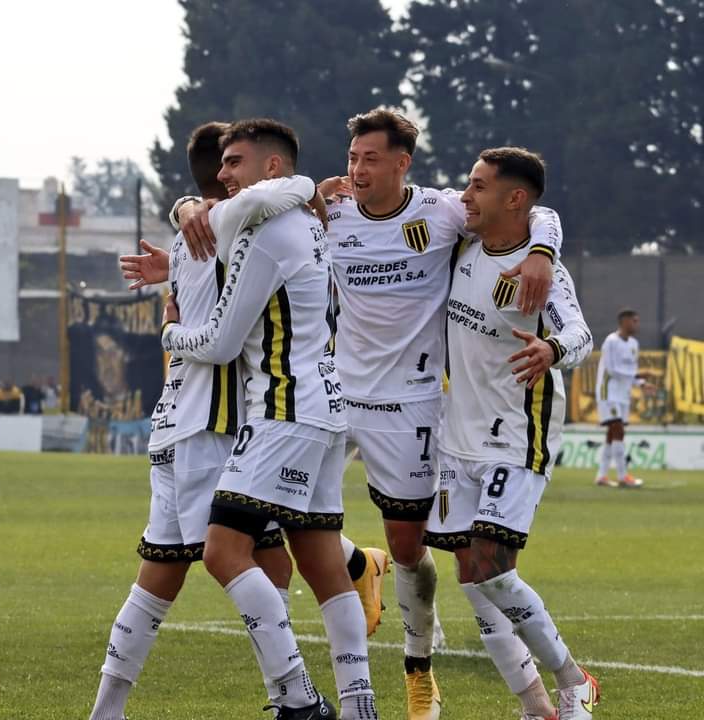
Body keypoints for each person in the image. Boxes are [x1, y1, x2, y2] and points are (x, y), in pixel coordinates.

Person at [173, 108, 564, 720]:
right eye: (352, 157)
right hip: (331, 394)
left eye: (370, 159)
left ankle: (419, 667)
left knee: (410, 548)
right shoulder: (328, 211)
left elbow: (531, 210)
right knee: (269, 515)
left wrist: (541, 250)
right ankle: (356, 574)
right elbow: (238, 213)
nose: (356, 169)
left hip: (409, 406)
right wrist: (187, 209)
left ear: (402, 164)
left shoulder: (441, 213)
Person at [88, 121, 318, 720]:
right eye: (230, 161)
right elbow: (278, 198)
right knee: (260, 559)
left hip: (172, 423)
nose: (231, 172)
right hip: (213, 427)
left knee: (157, 580)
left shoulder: (192, 232)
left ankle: (106, 710)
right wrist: (309, 187)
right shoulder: (230, 231)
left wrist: (182, 217)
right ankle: (296, 696)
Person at [162, 118, 378, 720]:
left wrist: (171, 330)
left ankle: (299, 698)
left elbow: (220, 342)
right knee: (323, 563)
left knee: (222, 551)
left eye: (234, 162)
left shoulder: (267, 232)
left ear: (272, 167)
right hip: (325, 408)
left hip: (283, 410)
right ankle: (359, 705)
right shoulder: (307, 221)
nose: (222, 174)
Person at [425, 147, 597, 720]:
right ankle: (536, 706)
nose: (466, 196)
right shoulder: (463, 247)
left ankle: (574, 681)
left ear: (514, 198)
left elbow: (581, 334)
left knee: (492, 567)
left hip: (518, 436)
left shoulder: (542, 269)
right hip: (457, 439)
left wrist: (551, 348)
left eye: (478, 186)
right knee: (473, 579)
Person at [594, 309, 655, 488]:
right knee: (618, 430)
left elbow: (630, 371)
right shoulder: (611, 341)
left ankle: (602, 476)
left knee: (612, 433)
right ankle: (623, 476)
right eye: (634, 321)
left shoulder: (634, 344)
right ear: (624, 322)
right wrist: (638, 374)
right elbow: (612, 370)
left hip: (623, 394)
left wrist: (642, 383)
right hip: (608, 392)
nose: (637, 324)